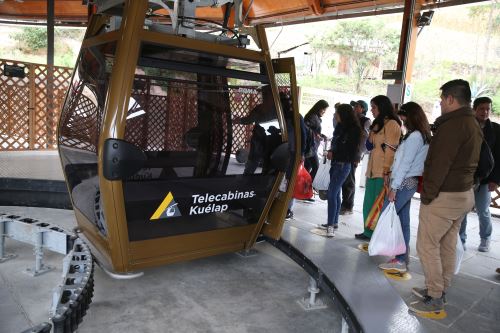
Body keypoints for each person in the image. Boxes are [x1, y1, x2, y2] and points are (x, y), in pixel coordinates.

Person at [410, 79, 482, 315]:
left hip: (444, 195)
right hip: (463, 193)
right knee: (447, 243)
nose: (440, 103)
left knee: (426, 246)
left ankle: (435, 295)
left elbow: (440, 163)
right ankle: (441, 287)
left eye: (442, 99)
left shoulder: (453, 126)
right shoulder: (472, 122)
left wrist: (428, 196)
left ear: (451, 99)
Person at [377, 102, 431, 273]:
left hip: (404, 183)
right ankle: (401, 257)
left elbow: (406, 164)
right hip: (408, 182)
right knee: (403, 221)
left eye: (403, 116)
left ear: (411, 116)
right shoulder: (419, 135)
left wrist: (394, 187)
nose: (402, 119)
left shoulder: (415, 137)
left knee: (386, 215)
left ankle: (399, 259)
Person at [355, 95, 401, 240]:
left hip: (383, 172)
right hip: (372, 170)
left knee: (379, 204)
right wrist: (372, 133)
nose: (372, 110)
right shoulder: (377, 124)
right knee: (368, 203)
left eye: (374, 107)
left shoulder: (393, 124)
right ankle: (367, 231)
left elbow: (391, 150)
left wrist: (387, 170)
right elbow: (369, 146)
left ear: (382, 107)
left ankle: (378, 234)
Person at [459, 97, 499, 252]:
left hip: (485, 179)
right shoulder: (467, 127)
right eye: (481, 109)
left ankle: (485, 238)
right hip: (466, 178)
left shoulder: (496, 129)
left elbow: (499, 157)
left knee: (483, 210)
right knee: (463, 210)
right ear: (474, 109)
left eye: (488, 109)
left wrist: (495, 179)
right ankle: (461, 239)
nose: (485, 112)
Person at [317, 104, 362, 237]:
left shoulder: (354, 130)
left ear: (344, 114)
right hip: (335, 163)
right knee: (335, 193)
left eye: (337, 113)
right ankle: (334, 222)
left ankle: (330, 225)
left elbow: (351, 150)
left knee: (331, 193)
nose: (335, 115)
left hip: (344, 165)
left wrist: (335, 153)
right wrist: (331, 151)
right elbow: (335, 144)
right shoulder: (340, 127)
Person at [340, 100, 371, 215]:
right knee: (345, 179)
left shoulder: (366, 121)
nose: (354, 108)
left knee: (350, 179)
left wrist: (359, 154)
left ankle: (348, 206)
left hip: (354, 154)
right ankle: (345, 204)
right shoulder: (351, 119)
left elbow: (365, 140)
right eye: (354, 106)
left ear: (363, 109)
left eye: (357, 106)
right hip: (347, 153)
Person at [304, 100, 329, 181]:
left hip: (312, 146)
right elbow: (305, 129)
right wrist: (316, 135)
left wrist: (321, 135)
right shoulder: (312, 116)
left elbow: (314, 130)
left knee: (306, 168)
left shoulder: (316, 117)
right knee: (316, 168)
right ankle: (307, 185)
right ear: (319, 108)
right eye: (324, 109)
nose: (324, 112)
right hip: (310, 147)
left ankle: (302, 187)